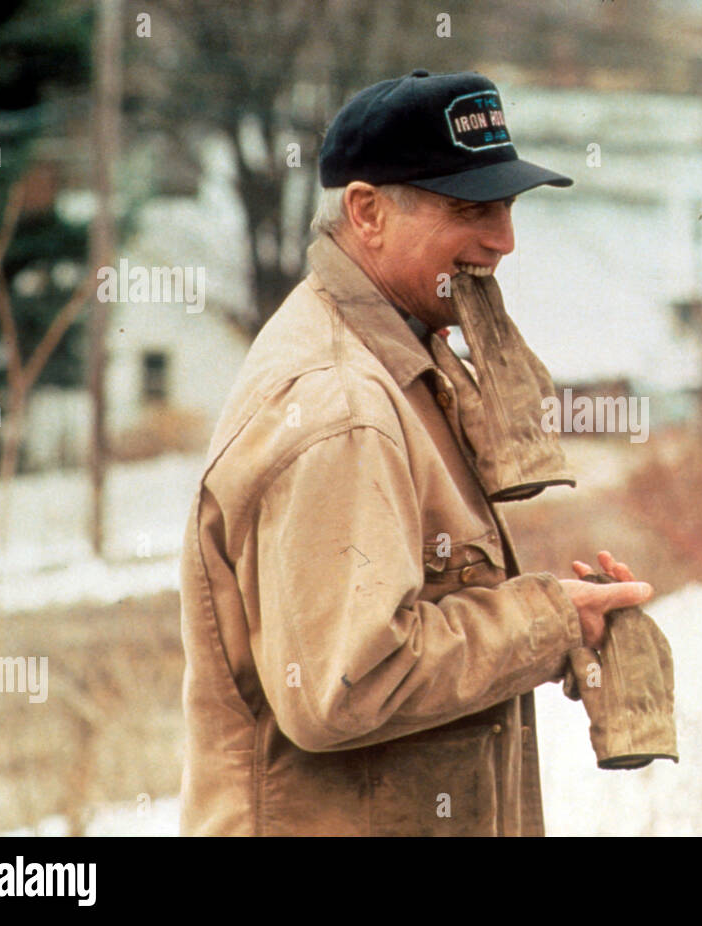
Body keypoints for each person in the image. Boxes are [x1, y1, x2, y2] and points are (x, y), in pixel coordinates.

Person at [178, 69, 654, 836]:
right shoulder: (343, 405)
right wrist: (547, 621)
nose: (503, 239)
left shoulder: (399, 362)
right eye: (471, 208)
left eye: (506, 205)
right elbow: (349, 684)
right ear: (366, 211)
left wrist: (565, 619)